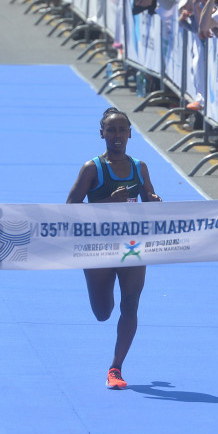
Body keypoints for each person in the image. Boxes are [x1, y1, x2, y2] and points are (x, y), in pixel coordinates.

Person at [65, 107, 161, 390]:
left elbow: (149, 201)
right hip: (98, 248)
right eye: (112, 130)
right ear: (102, 134)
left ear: (130, 134)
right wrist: (108, 201)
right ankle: (101, 304)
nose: (117, 135)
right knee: (103, 311)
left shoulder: (140, 167)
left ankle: (116, 367)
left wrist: (155, 202)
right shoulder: (92, 168)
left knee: (130, 304)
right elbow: (69, 209)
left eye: (122, 130)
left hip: (132, 245)